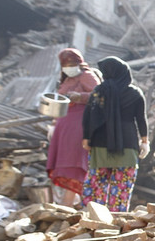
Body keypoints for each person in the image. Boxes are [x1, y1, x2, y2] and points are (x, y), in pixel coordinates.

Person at [81, 57, 148, 212]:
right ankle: (117, 220)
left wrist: (86, 137)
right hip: (127, 144)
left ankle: (93, 216)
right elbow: (141, 119)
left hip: (100, 144)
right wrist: (145, 141)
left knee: (97, 183)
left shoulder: (99, 92)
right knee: (122, 187)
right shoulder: (135, 93)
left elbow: (89, 115)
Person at [46, 48, 102, 207]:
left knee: (75, 162)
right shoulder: (67, 79)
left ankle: (68, 203)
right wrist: (54, 123)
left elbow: (101, 95)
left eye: (71, 64)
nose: (68, 67)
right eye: (65, 64)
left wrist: (81, 97)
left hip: (79, 125)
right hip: (64, 125)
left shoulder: (87, 76)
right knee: (64, 162)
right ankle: (71, 201)